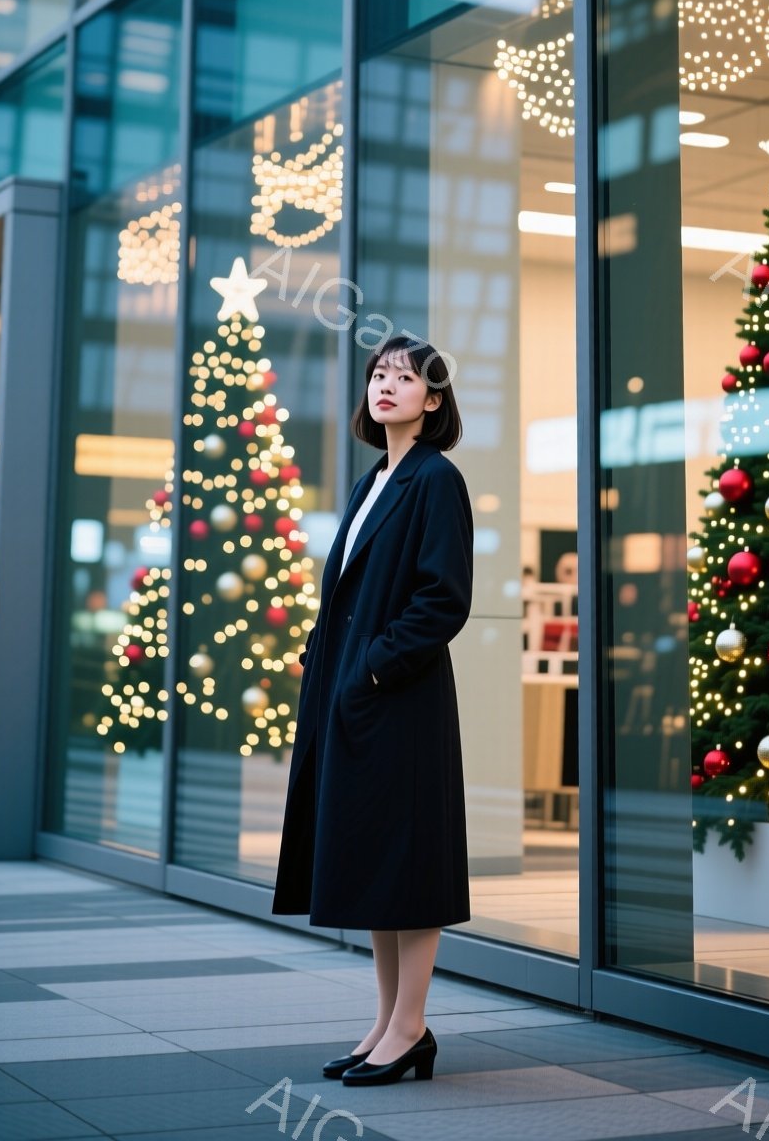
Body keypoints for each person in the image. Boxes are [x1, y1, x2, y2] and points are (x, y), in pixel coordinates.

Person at [271, 333, 474, 1087]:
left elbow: (442, 600)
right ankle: (389, 1022)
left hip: (402, 703)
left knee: (407, 866)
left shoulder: (435, 480)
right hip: (356, 699)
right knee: (377, 867)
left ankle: (412, 1024)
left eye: (405, 377)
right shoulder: (372, 483)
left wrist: (372, 669)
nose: (386, 385)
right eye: (379, 374)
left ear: (435, 399)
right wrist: (330, 664)